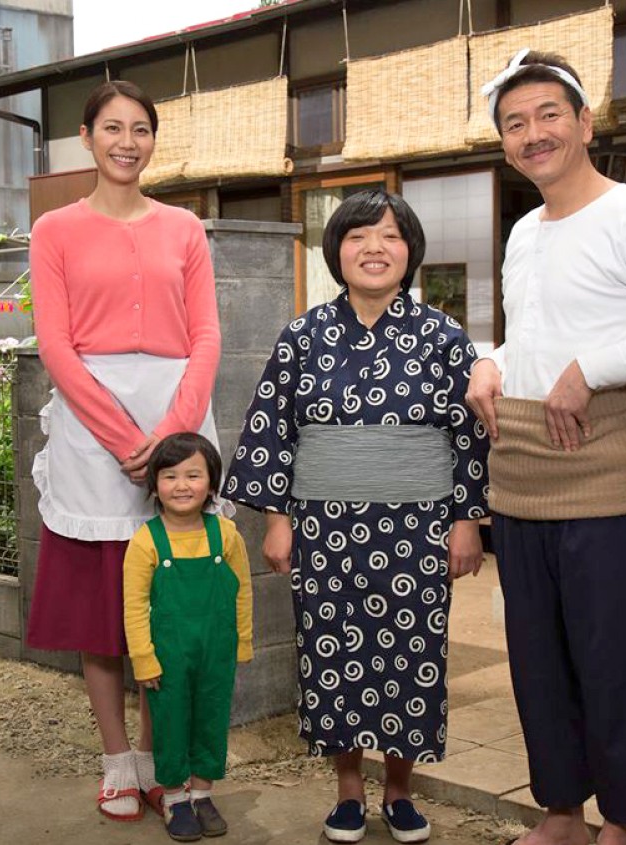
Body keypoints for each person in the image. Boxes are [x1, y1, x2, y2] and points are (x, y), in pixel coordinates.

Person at [466, 50, 626, 845]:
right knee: (537, 658)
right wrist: (491, 361)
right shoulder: (525, 233)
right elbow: (533, 336)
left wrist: (592, 371)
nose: (532, 133)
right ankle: (562, 812)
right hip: (523, 468)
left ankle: (623, 818)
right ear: (504, 142)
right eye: (515, 123)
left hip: (604, 465)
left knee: (610, 659)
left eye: (547, 116)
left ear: (583, 123)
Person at [224, 190, 488, 844]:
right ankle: (347, 789)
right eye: (360, 235)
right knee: (332, 653)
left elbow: (468, 438)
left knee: (412, 652)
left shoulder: (445, 338)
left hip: (418, 527)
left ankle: (399, 790)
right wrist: (277, 518)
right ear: (336, 249)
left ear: (411, 252)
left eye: (392, 236)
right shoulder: (302, 335)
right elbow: (273, 432)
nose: (375, 247)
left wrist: (467, 519)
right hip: (325, 527)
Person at [25, 80, 222, 823]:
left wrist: (172, 437)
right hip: (90, 419)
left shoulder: (183, 229)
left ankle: (164, 758)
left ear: (153, 140)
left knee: (169, 600)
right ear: (87, 137)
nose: (127, 141)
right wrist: (121, 437)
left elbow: (205, 335)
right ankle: (117, 760)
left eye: (141, 129)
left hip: (178, 412)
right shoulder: (56, 231)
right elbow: (56, 344)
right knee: (102, 602)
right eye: (113, 128)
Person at [123, 433, 253, 842]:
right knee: (171, 724)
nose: (182, 485)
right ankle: (175, 798)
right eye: (170, 476)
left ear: (212, 483)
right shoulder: (146, 541)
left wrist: (243, 642)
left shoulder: (226, 535)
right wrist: (143, 659)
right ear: (154, 485)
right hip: (168, 658)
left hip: (217, 652)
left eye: (194, 475)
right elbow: (134, 606)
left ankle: (203, 793)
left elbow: (243, 590)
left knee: (211, 721)